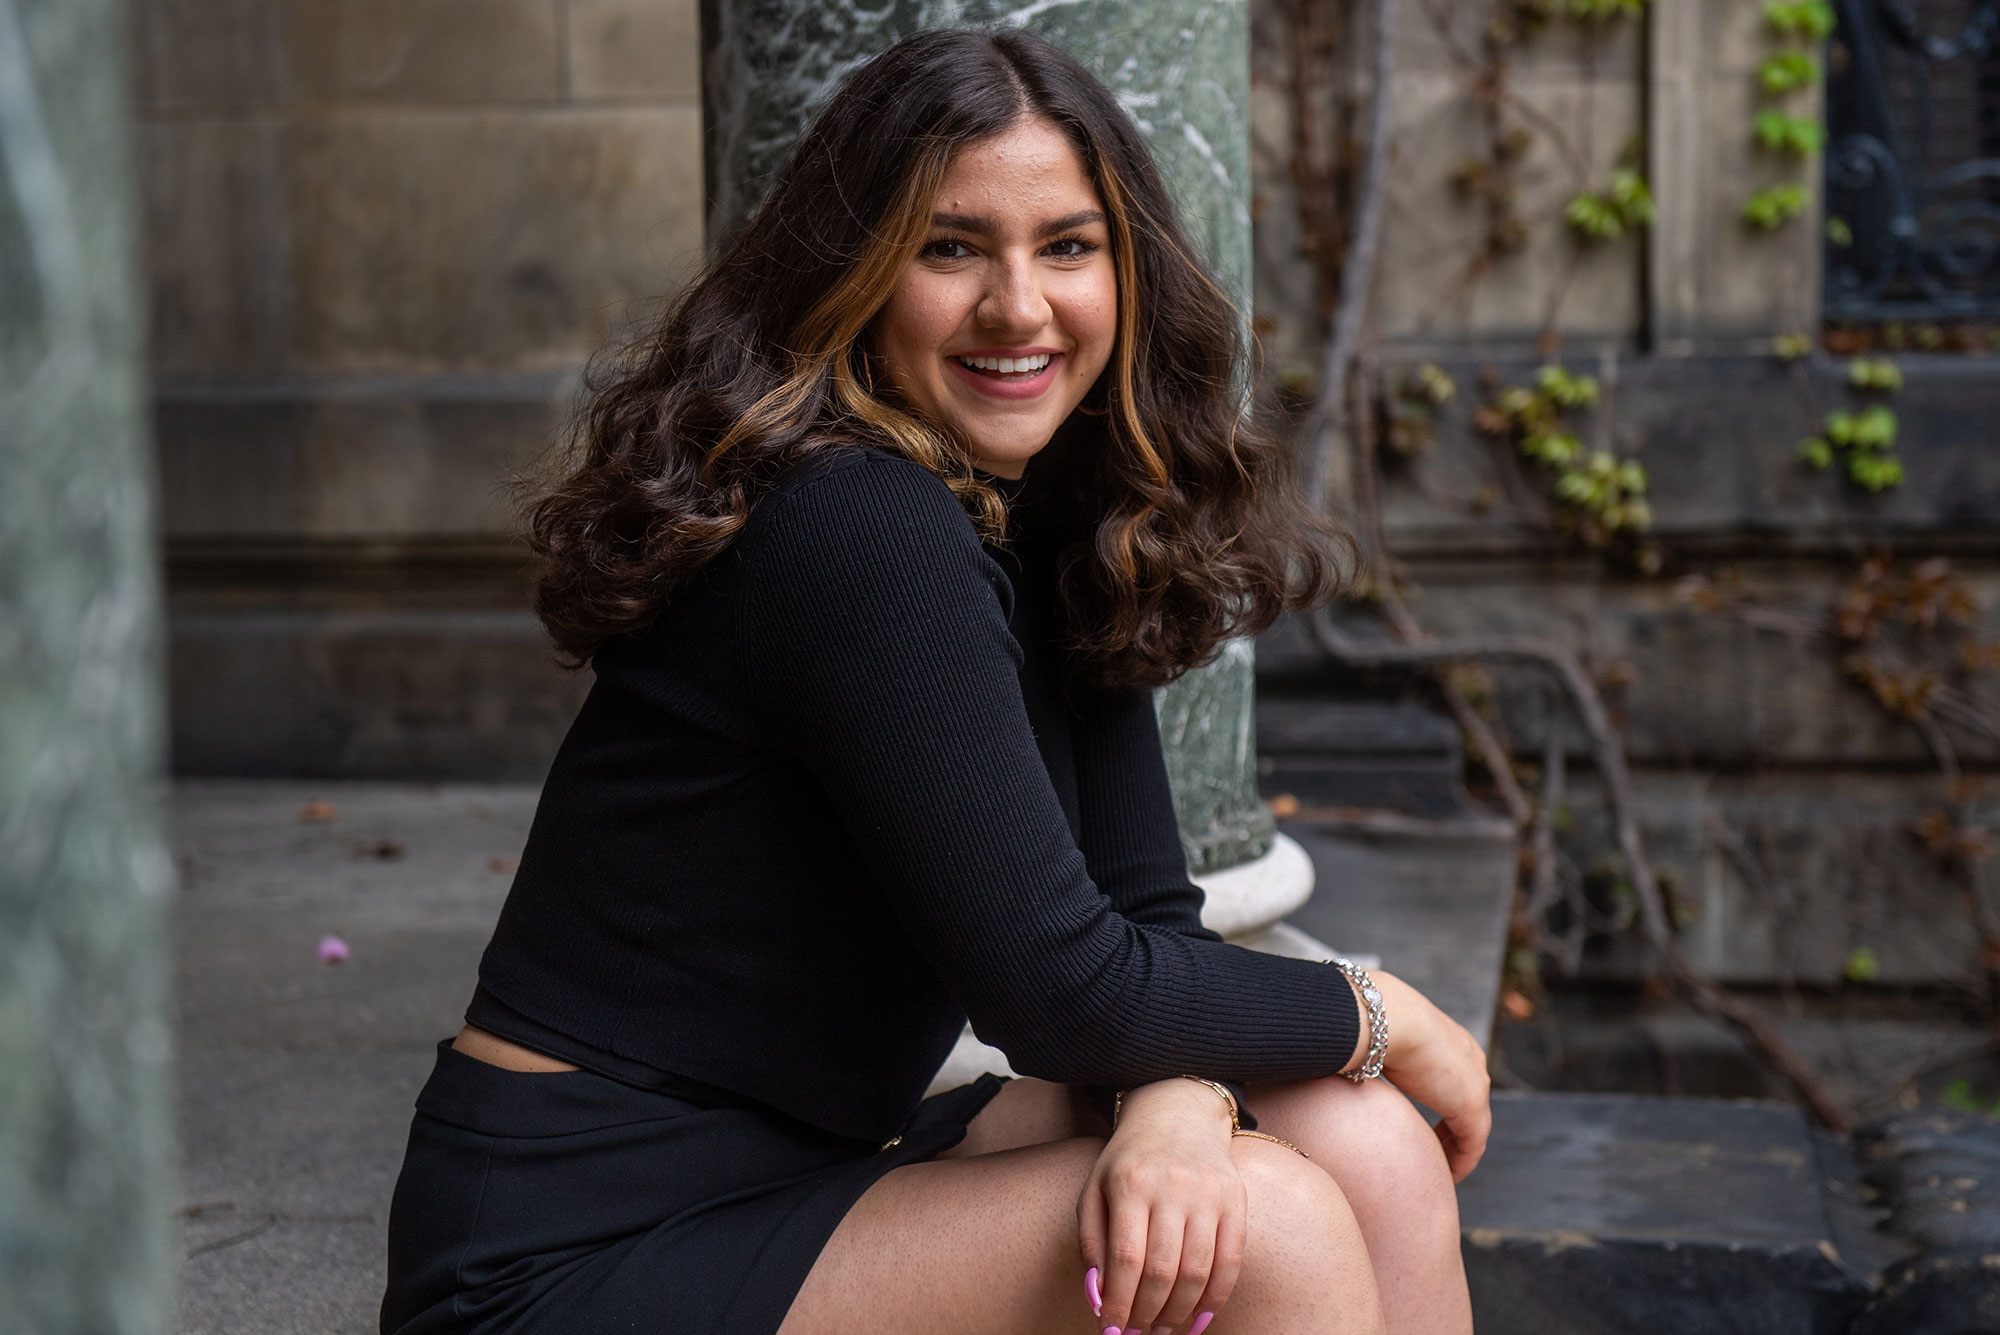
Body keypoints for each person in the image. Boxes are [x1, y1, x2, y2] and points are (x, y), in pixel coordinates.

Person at [380, 26, 1490, 1335]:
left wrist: (1180, 1103)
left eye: (1067, 247)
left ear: (1127, 274)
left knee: (1363, 1152)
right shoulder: (855, 520)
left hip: (796, 1175)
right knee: (1277, 1232)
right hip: (564, 1252)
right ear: (855, 271)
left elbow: (1141, 917)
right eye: (951, 247)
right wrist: (1375, 1008)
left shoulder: (1052, 514)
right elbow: (1062, 991)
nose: (1018, 306)